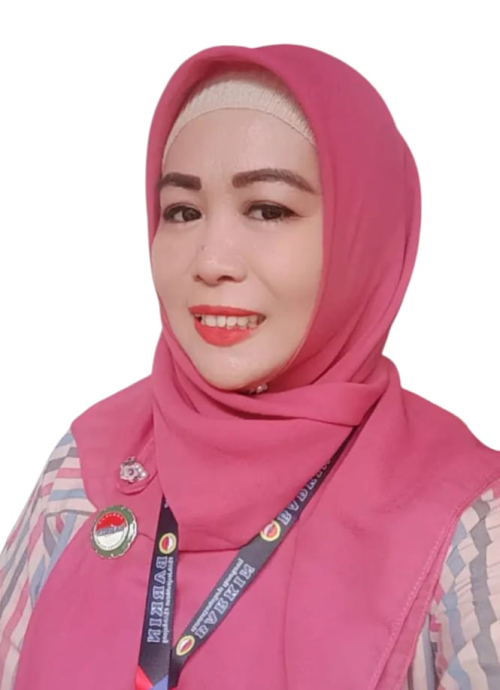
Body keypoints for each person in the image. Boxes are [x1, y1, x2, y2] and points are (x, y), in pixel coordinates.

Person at [1, 42, 499, 690]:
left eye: (268, 209)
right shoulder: (87, 467)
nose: (211, 259)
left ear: (362, 234)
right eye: (183, 211)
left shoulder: (467, 527)